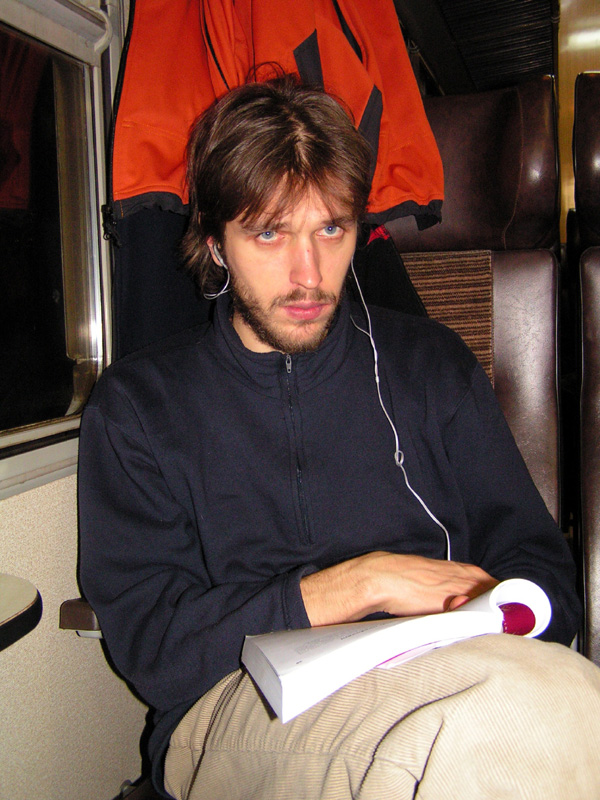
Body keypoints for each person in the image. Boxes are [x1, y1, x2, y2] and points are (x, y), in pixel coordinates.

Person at [78, 74, 600, 800]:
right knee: (505, 728)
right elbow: (155, 649)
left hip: (449, 672)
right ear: (215, 241)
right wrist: (361, 584)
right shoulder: (139, 407)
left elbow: (545, 573)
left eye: (332, 228)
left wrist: (494, 606)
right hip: (236, 702)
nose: (309, 275)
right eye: (269, 232)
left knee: (569, 706)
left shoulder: (431, 367)